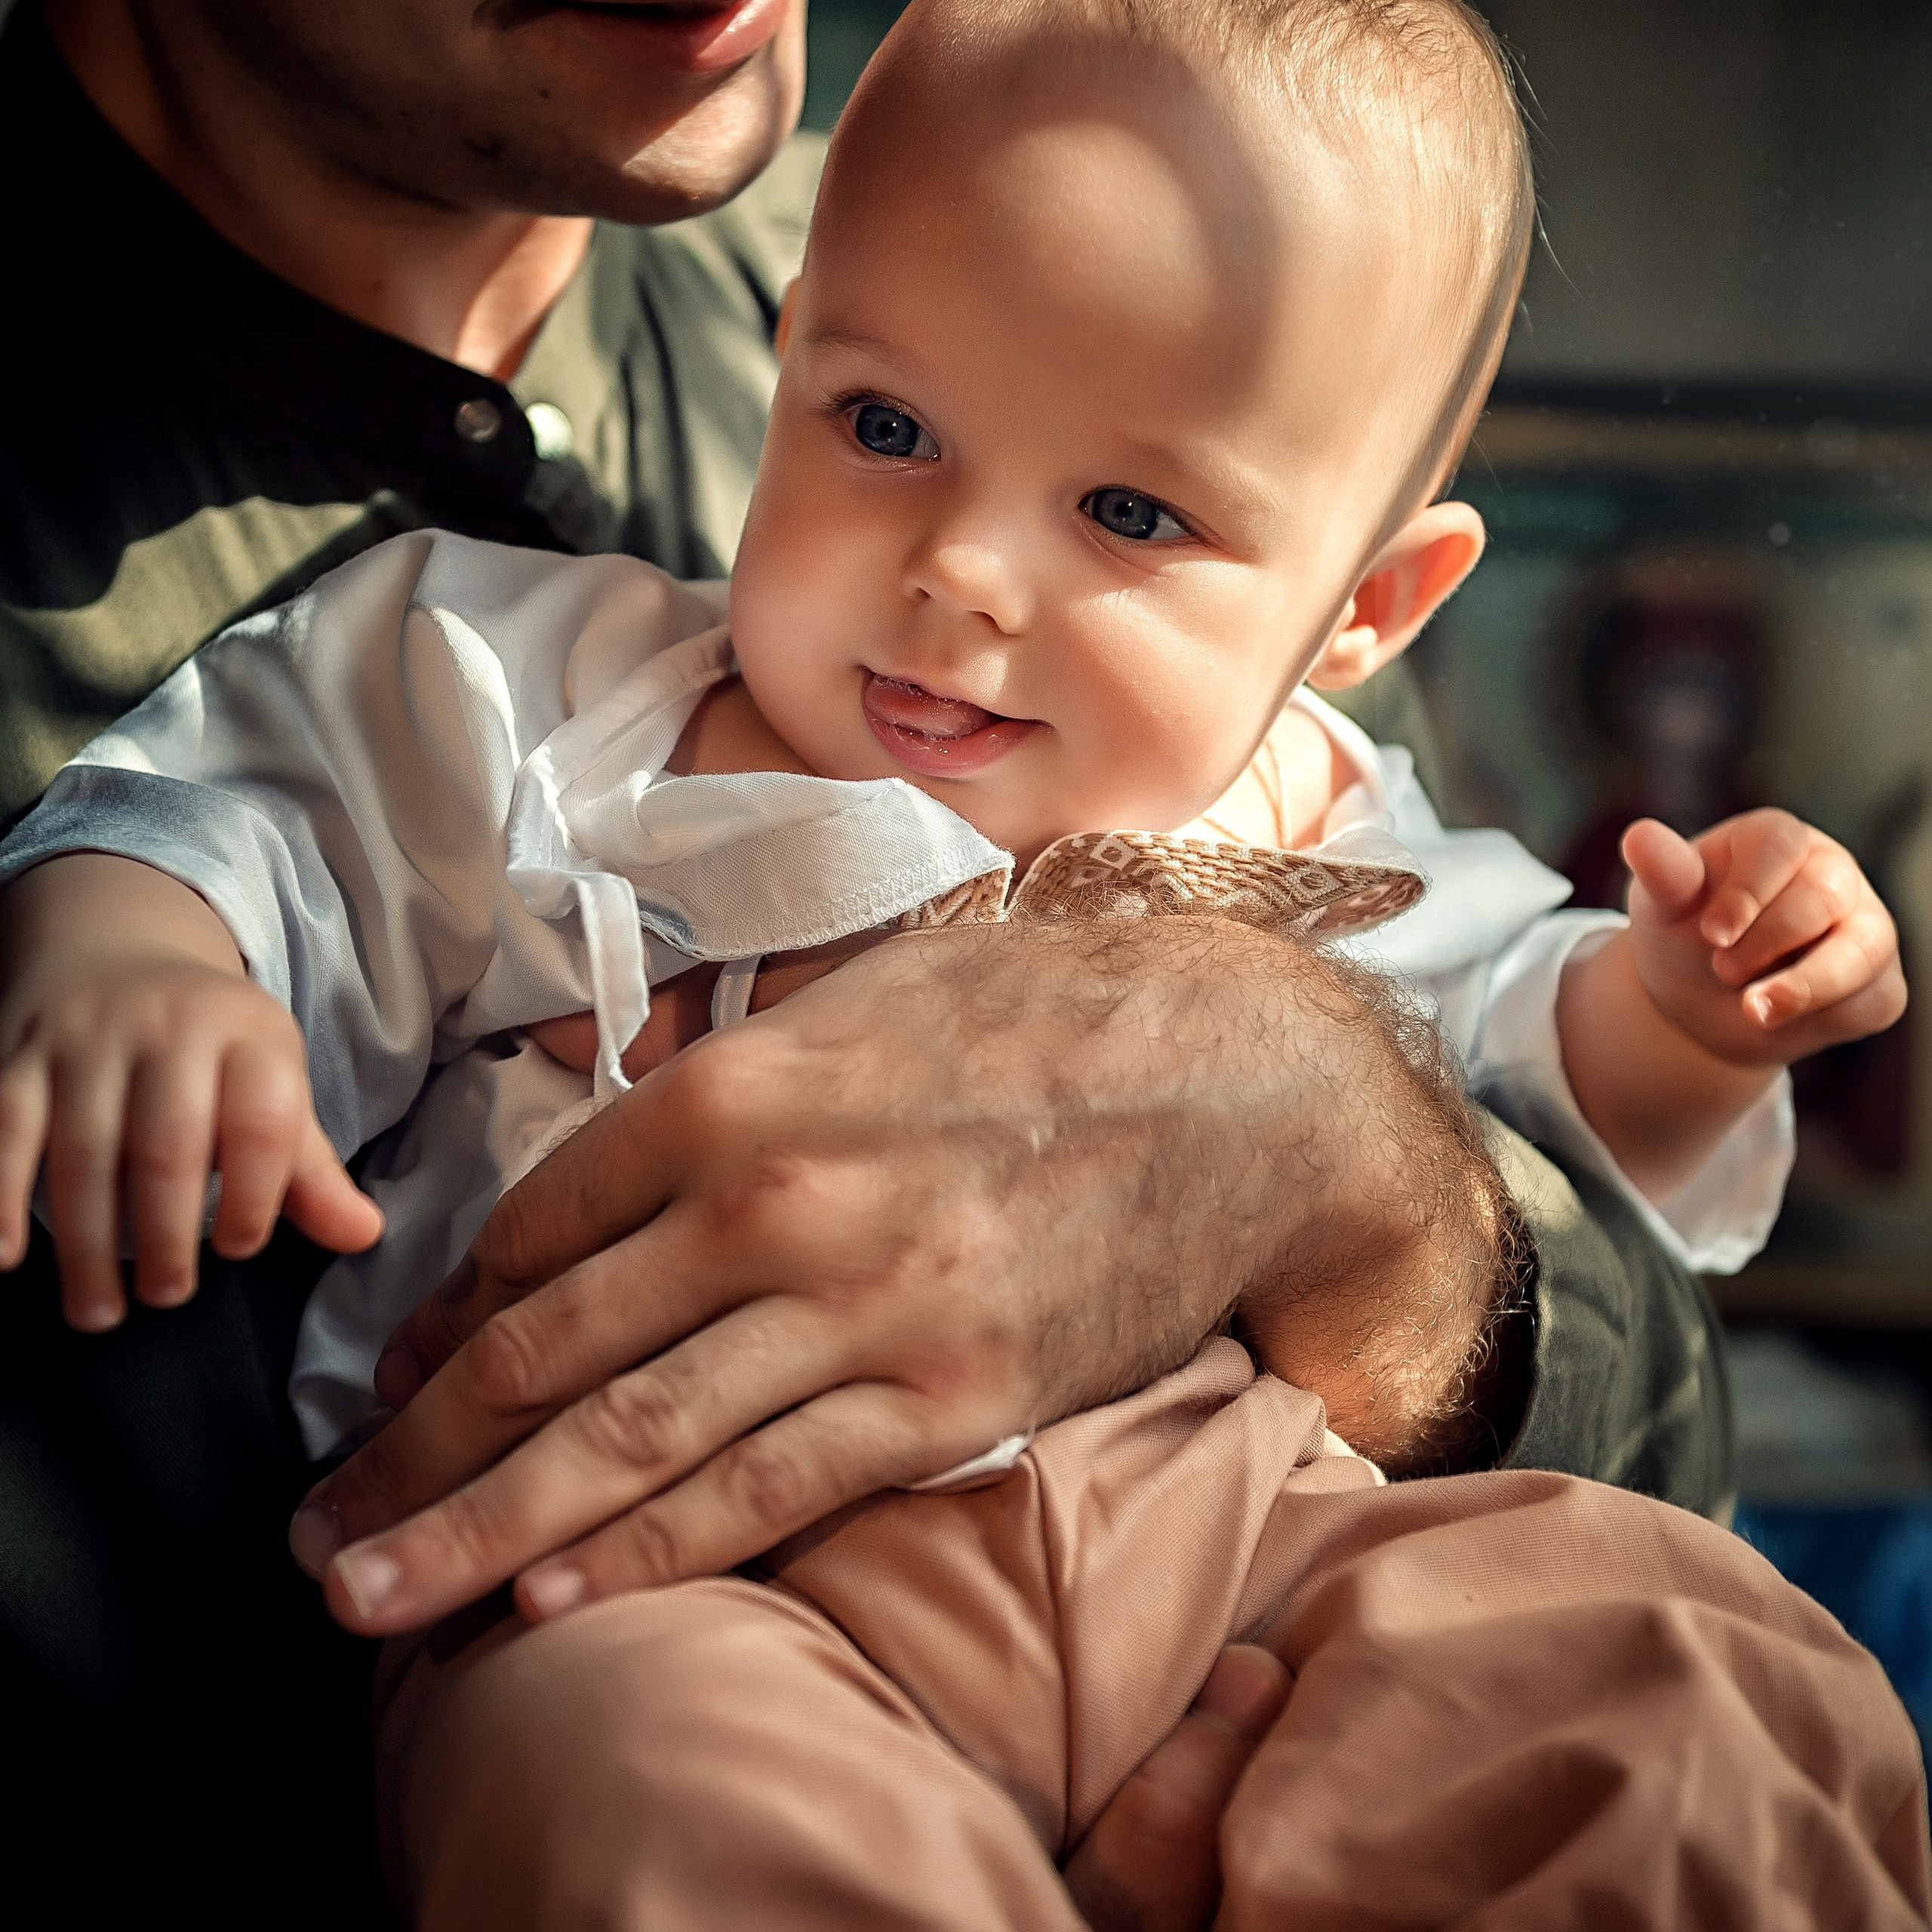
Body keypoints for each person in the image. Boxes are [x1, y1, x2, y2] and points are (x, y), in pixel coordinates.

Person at [2, 1, 1920, 1924]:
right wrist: (131, 946)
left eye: (1127, 514)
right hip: (678, 1575)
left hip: (1242, 1542)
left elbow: (1558, 1125)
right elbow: (255, 800)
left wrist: (1684, 1016)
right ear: (791, 373)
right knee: (649, 1798)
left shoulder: (1311, 792)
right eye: (886, 431)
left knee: (1701, 1678)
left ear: (1364, 608)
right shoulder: (560, 680)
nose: (966, 571)